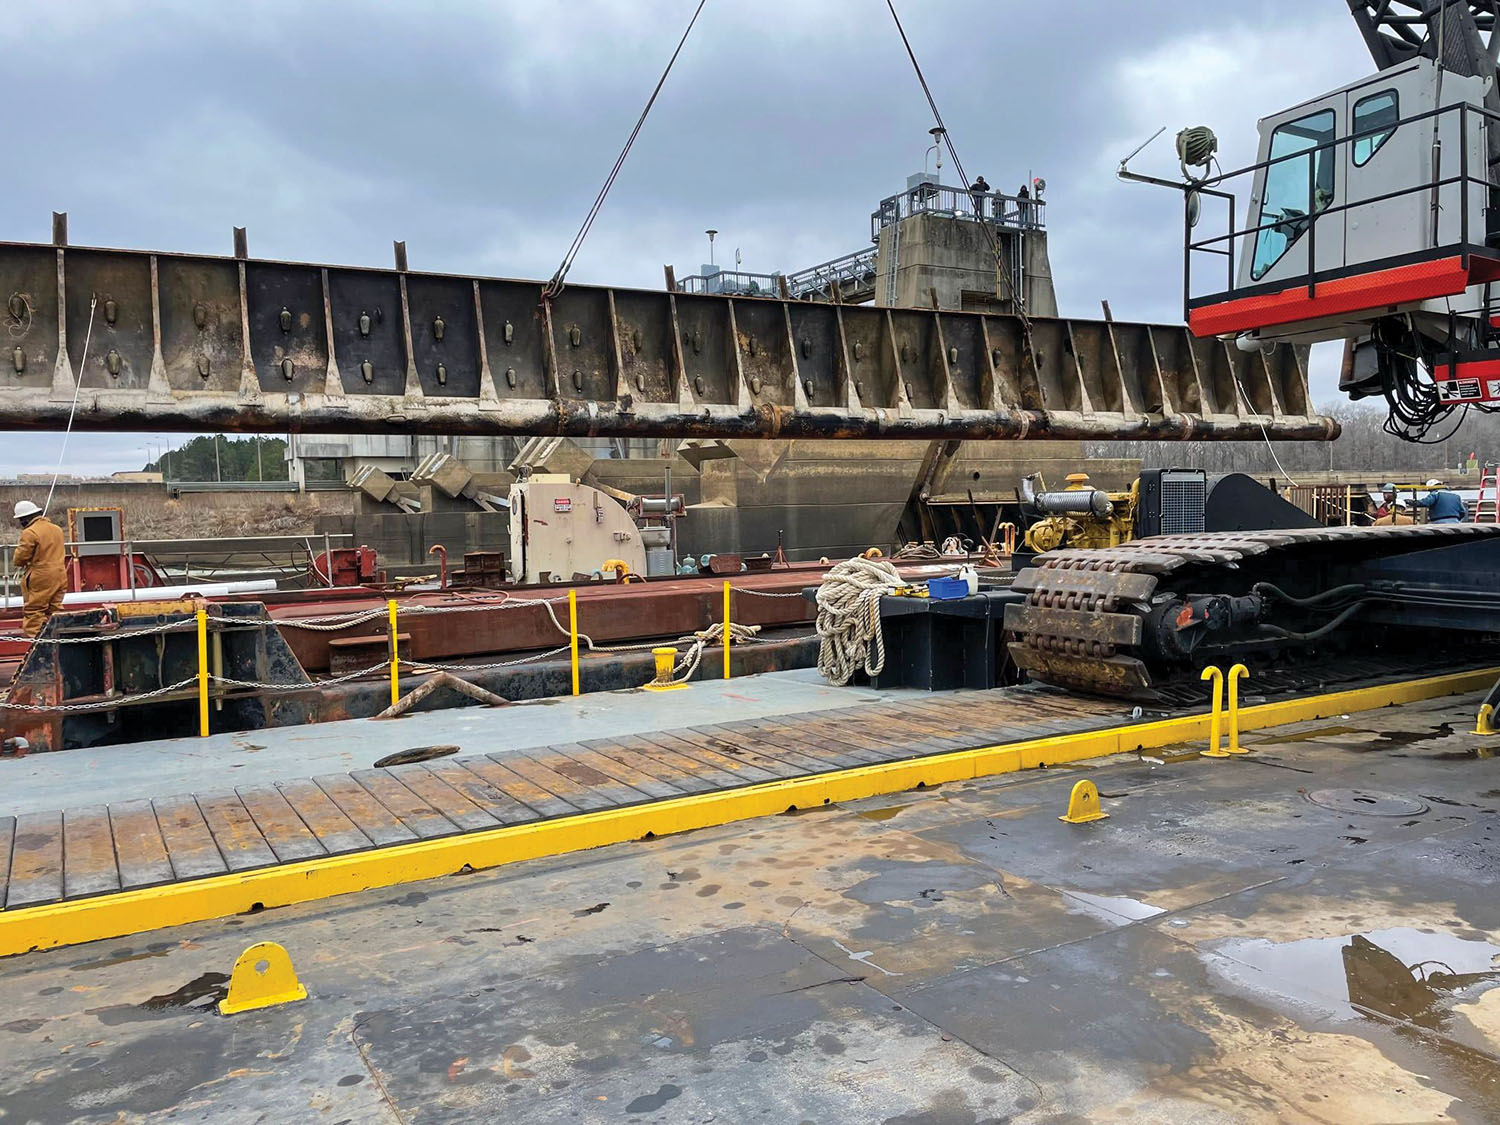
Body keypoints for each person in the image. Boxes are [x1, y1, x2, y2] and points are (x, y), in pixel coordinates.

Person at [11, 500, 65, 638]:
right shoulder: (57, 529)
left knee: (34, 610)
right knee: (55, 608)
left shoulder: (30, 532)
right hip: (60, 574)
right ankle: (61, 637)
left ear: (25, 518)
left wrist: (19, 560)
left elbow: (20, 558)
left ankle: (37, 643)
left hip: (41, 576)